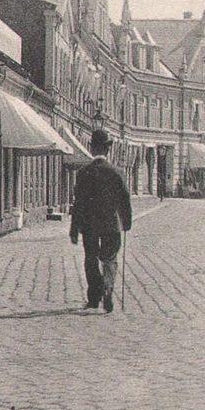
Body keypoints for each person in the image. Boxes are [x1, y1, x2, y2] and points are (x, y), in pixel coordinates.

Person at [69, 129, 133, 313]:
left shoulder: (84, 172)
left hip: (89, 225)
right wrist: (126, 221)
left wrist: (74, 229)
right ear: (108, 149)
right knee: (109, 258)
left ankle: (94, 298)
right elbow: (125, 200)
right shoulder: (117, 172)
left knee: (91, 259)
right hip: (112, 224)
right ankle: (108, 287)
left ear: (91, 148)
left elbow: (78, 203)